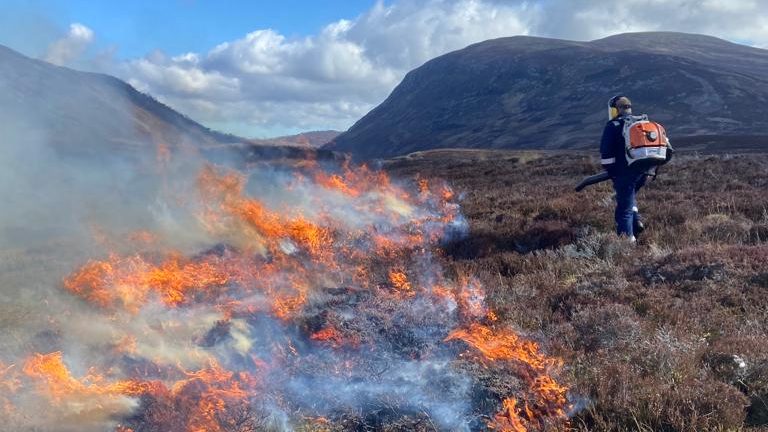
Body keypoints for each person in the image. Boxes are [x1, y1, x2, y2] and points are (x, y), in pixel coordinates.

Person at [600, 96, 647, 241]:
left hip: (624, 173)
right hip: (643, 170)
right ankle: (636, 222)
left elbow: (606, 153)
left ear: (616, 110)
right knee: (629, 197)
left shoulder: (613, 125)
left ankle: (627, 245)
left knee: (623, 210)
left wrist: (612, 173)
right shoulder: (640, 123)